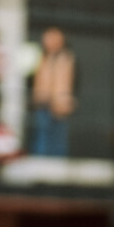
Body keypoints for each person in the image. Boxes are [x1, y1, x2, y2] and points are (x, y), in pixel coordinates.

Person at [28, 27, 76, 157]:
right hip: (43, 101)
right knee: (41, 134)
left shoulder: (67, 58)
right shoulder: (41, 57)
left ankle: (57, 161)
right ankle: (40, 160)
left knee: (58, 137)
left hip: (61, 103)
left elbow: (73, 81)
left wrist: (69, 99)